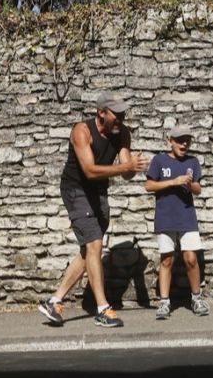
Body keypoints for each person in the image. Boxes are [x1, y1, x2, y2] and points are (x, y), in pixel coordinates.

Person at [38, 92, 148, 327]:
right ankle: (102, 309)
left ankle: (54, 301)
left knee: (89, 250)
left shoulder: (122, 133)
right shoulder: (82, 131)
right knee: (95, 244)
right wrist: (125, 167)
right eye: (116, 114)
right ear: (101, 113)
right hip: (76, 190)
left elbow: (125, 172)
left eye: (122, 113)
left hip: (98, 192)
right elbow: (89, 170)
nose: (121, 118)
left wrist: (133, 167)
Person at [144, 125, 209, 319]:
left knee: (190, 258)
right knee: (167, 260)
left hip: (187, 217)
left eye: (187, 140)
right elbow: (148, 185)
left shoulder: (193, 162)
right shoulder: (159, 160)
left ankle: (196, 298)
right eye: (180, 140)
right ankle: (164, 302)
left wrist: (190, 185)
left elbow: (198, 189)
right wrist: (173, 181)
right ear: (169, 140)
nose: (184, 144)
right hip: (165, 217)